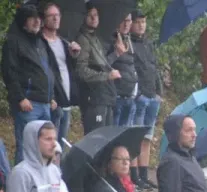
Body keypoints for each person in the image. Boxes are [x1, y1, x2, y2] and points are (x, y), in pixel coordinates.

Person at [1, 4, 55, 164]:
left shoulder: (40, 42)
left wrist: (51, 96)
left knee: (45, 149)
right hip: (28, 104)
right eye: (32, 18)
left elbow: (47, 71)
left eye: (39, 18)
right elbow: (9, 72)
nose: (37, 21)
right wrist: (20, 98)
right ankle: (21, 186)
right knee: (26, 147)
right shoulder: (13, 41)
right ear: (23, 20)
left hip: (45, 103)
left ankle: (40, 185)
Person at [75, 1, 120, 134]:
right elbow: (81, 71)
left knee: (106, 139)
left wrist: (116, 54)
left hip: (104, 97)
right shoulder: (82, 39)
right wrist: (107, 76)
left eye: (96, 15)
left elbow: (102, 64)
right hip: (94, 99)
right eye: (90, 15)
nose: (94, 18)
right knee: (96, 139)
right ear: (83, 17)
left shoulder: (94, 38)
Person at [130, 9, 163, 190]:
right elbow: (133, 70)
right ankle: (134, 176)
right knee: (136, 137)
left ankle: (144, 174)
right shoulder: (129, 43)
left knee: (147, 138)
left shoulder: (148, 44)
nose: (141, 25)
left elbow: (154, 68)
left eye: (143, 22)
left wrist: (159, 92)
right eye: (138, 22)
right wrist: (139, 93)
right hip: (140, 96)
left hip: (153, 96)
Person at [41, 2, 80, 148]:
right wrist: (51, 97)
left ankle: (57, 171)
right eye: (51, 16)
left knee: (61, 145)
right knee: (51, 145)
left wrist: (74, 55)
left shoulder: (64, 42)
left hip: (66, 98)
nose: (55, 18)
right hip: (53, 99)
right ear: (44, 19)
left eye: (57, 15)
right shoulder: (40, 42)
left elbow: (71, 69)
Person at [107, 14, 137, 128]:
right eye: (123, 21)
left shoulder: (129, 40)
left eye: (128, 21)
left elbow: (134, 66)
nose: (126, 24)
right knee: (112, 135)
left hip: (130, 97)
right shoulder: (110, 40)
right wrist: (116, 53)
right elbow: (102, 64)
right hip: (116, 97)